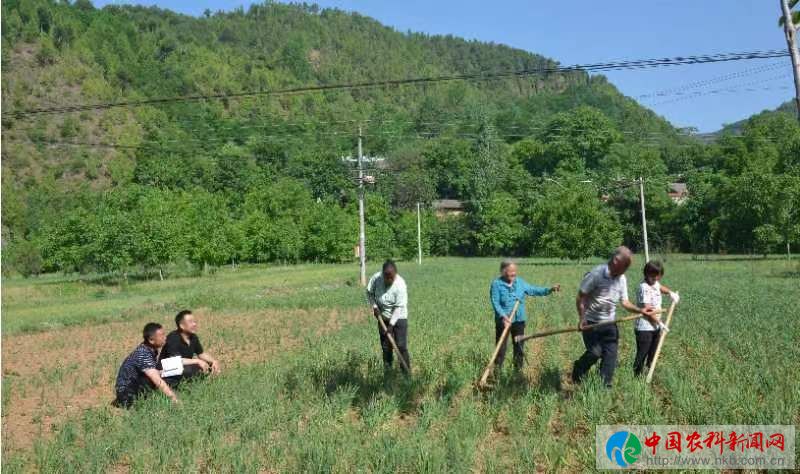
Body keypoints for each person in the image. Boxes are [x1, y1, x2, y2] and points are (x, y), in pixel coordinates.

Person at [571, 246, 656, 388]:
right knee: (595, 352)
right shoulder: (596, 274)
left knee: (610, 357)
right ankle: (579, 368)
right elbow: (581, 298)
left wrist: (640, 310)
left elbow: (625, 302)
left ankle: (604, 388)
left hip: (610, 324)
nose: (626, 270)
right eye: (625, 266)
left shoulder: (621, 279)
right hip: (591, 323)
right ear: (616, 261)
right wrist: (582, 318)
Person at [490, 259, 560, 373]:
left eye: (515, 271)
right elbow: (495, 302)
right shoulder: (496, 284)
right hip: (503, 321)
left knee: (519, 347)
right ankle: (497, 374)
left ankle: (517, 373)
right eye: (511, 271)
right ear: (503, 271)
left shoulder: (520, 282)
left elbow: (534, 290)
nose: (514, 274)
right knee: (500, 349)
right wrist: (503, 317)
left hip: (518, 320)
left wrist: (549, 289)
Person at [114, 322, 178, 407]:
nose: (165, 338)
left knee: (166, 374)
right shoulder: (143, 354)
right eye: (161, 336)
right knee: (157, 379)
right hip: (126, 394)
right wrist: (173, 398)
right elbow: (156, 379)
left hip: (133, 386)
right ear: (151, 340)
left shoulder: (149, 349)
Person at [633, 260, 679, 377]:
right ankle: (636, 376)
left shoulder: (655, 283)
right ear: (647, 274)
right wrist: (660, 322)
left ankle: (649, 373)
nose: (656, 280)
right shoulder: (644, 288)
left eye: (658, 278)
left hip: (655, 326)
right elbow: (648, 311)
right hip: (645, 327)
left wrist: (670, 293)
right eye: (653, 277)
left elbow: (660, 287)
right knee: (643, 353)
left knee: (653, 352)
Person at [367, 260, 410, 373]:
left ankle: (406, 374)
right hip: (383, 317)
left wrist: (391, 326)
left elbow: (398, 308)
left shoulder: (400, 285)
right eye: (387, 277)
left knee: (401, 346)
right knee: (386, 347)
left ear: (395, 274)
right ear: (383, 275)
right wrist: (374, 307)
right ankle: (388, 373)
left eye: (392, 277)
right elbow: (369, 293)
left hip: (399, 317)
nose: (390, 280)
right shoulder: (376, 279)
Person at [159, 309, 221, 388]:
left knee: (208, 366)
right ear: (181, 325)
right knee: (191, 370)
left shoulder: (193, 337)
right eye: (190, 322)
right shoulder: (173, 338)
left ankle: (203, 382)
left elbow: (201, 353)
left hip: (184, 367)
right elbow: (175, 360)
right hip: (167, 370)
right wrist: (197, 361)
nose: (194, 324)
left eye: (194, 321)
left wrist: (213, 361)